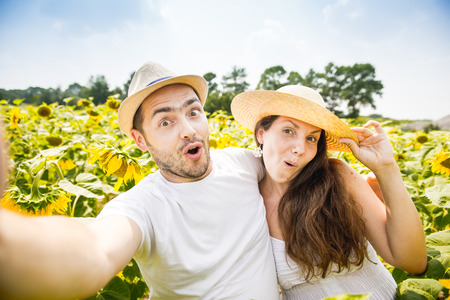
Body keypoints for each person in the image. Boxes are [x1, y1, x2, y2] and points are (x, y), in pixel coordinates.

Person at [0, 62, 280, 299]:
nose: (188, 130)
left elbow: (303, 169)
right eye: (165, 122)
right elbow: (96, 252)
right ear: (140, 140)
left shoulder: (245, 164)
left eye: (193, 112)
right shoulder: (142, 206)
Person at [231, 85, 427, 300]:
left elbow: (413, 261)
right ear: (261, 133)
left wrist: (386, 168)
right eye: (288, 131)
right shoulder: (247, 200)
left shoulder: (337, 179)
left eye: (311, 138)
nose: (300, 148)